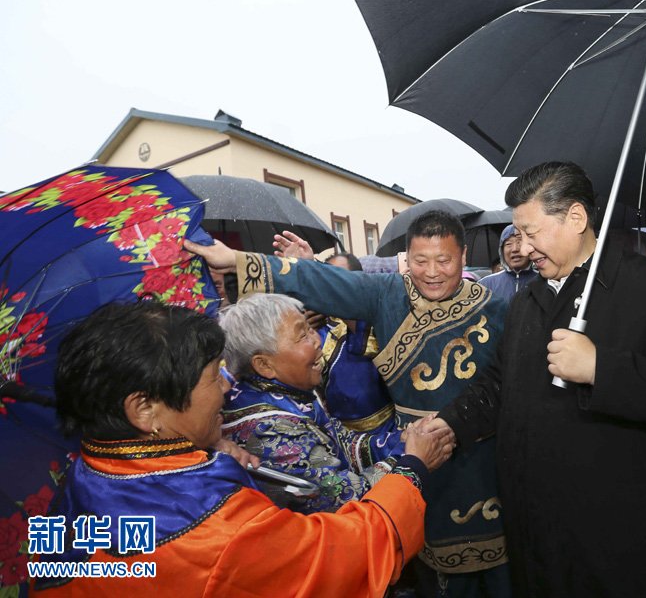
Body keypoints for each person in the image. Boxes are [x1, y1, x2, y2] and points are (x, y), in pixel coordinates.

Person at [429, 162, 646, 597]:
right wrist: (450, 424)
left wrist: (601, 368)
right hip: (536, 533)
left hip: (619, 540)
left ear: (576, 218)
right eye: (518, 234)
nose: (523, 247)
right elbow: (499, 384)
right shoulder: (527, 301)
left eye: (531, 232)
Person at [186, 210, 512, 598]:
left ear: (462, 256)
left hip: (482, 454)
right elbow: (326, 280)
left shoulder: (498, 308)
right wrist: (241, 260)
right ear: (407, 259)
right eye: (421, 261)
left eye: (444, 260)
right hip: (414, 453)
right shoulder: (387, 294)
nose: (432, 272)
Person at [32, 301, 452, 597]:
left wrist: (203, 457)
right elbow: (349, 554)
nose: (229, 388)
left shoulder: (80, 478)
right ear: (144, 409)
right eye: (214, 376)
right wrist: (411, 467)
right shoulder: (217, 528)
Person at [218, 293, 405, 513]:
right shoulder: (269, 430)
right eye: (302, 336)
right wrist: (412, 458)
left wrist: (403, 441)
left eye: (310, 328)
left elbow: (340, 441)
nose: (317, 340)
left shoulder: (289, 388)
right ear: (264, 365)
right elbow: (344, 498)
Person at [318, 252, 396, 434]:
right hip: (337, 435)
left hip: (385, 430)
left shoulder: (371, 320)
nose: (333, 285)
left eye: (340, 278)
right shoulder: (317, 324)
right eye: (327, 278)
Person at [478, 224, 538, 302]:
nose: (515, 249)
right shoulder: (485, 284)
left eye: (519, 242)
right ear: (501, 251)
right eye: (508, 244)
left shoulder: (545, 281)